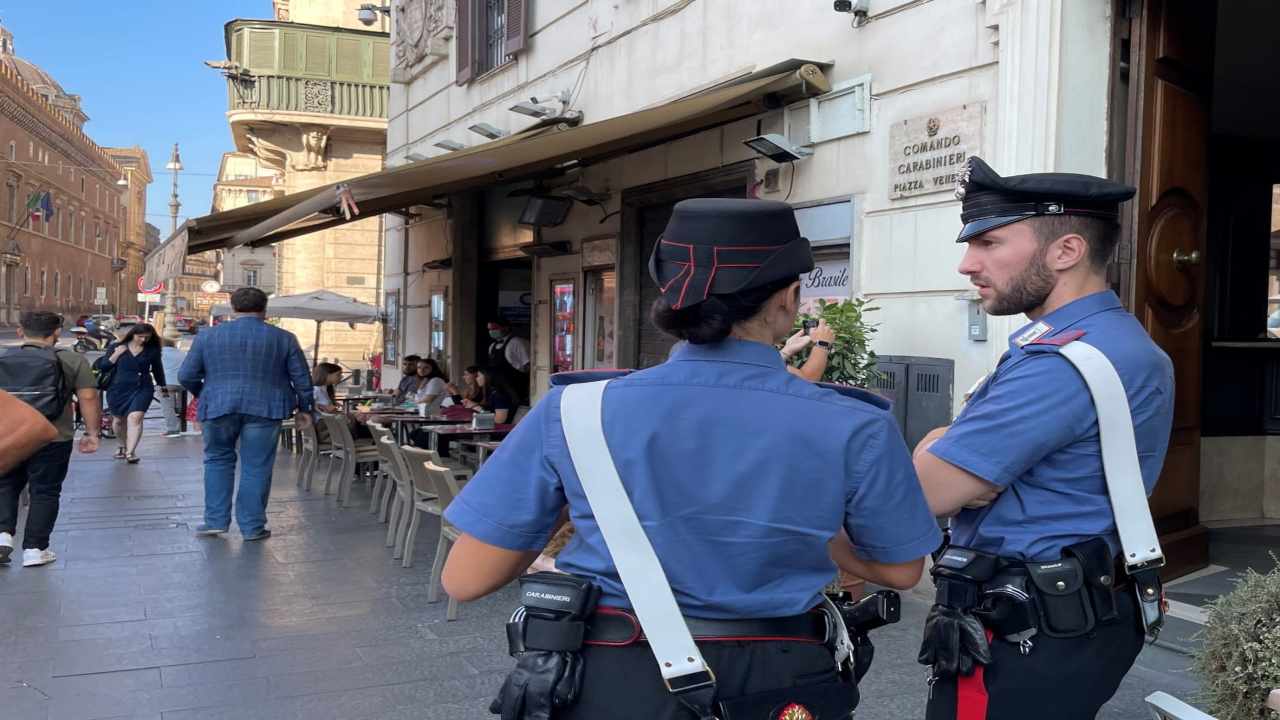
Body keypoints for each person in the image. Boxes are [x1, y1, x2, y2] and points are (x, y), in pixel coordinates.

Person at [440, 199, 941, 719]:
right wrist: (822, 531)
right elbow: (902, 570)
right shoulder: (854, 422)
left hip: (615, 675)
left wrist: (586, 500)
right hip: (783, 679)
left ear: (670, 296)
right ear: (790, 298)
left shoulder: (575, 411)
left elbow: (465, 579)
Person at [912, 157, 1175, 720]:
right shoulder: (1105, 342)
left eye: (988, 243)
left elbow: (924, 491)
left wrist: (931, 445)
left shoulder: (1059, 364)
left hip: (1025, 629)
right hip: (1071, 616)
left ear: (1066, 252)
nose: (967, 264)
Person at [179, 287, 314, 542]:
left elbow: (186, 375)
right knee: (256, 466)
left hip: (218, 407)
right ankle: (252, 527)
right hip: (266, 408)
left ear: (233, 308)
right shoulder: (283, 338)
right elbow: (301, 378)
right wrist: (305, 408)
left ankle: (215, 521)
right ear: (265, 309)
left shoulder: (208, 337)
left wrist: (205, 392)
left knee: (217, 460)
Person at [0, 312, 100, 567]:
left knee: (5, 486)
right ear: (56, 333)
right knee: (45, 491)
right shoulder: (72, 360)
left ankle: (2, 536)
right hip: (54, 436)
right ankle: (35, 549)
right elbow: (88, 397)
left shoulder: (3, 358)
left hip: (10, 434)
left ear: (21, 331)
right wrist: (91, 433)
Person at [94, 323, 166, 464]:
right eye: (140, 337)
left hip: (143, 387)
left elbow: (158, 369)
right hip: (118, 389)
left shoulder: (152, 350)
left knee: (135, 418)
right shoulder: (116, 347)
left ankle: (130, 452)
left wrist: (162, 386)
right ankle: (122, 444)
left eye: (147, 337)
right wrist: (116, 354)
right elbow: (104, 366)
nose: (143, 340)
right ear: (132, 334)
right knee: (118, 421)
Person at [485, 319, 530, 403]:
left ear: (506, 328)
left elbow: (528, 366)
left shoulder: (517, 343)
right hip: (498, 389)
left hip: (516, 387)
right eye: (489, 329)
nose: (491, 331)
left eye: (494, 328)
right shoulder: (492, 346)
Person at [159, 337, 188, 438]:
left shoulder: (160, 353)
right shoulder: (181, 353)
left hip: (166, 384)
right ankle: (180, 414)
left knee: (166, 405)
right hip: (182, 383)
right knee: (180, 403)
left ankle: (173, 428)